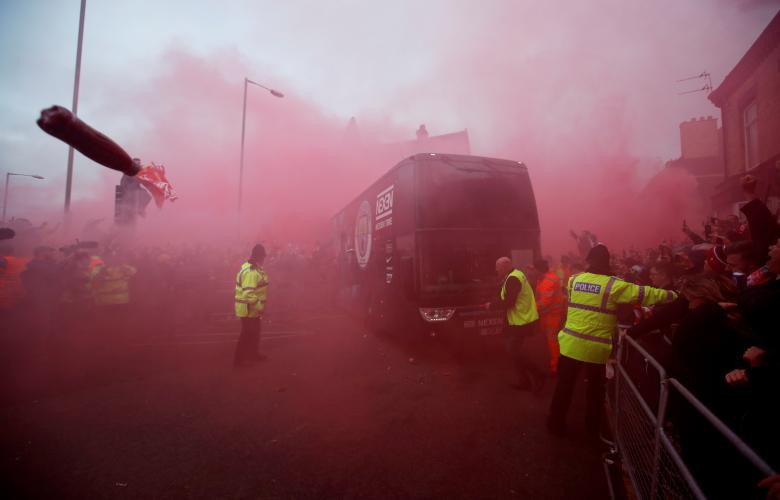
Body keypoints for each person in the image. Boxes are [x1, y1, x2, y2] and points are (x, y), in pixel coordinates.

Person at [547, 244, 677, 437]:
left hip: (571, 344)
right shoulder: (614, 285)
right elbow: (645, 294)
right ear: (607, 262)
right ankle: (592, 430)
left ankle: (554, 425)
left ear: (589, 260)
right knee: (595, 391)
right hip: (596, 348)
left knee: (564, 386)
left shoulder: (573, 280)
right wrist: (674, 295)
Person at [488, 256, 545, 392]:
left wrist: (491, 305)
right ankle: (524, 381)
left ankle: (538, 374)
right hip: (517, 320)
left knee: (513, 350)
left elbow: (509, 302)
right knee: (513, 350)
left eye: (498, 267)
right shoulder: (516, 275)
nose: (496, 270)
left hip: (521, 321)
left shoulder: (513, 278)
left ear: (504, 266)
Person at [234, 244, 269, 367]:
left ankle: (253, 354)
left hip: (251, 307)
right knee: (247, 333)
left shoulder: (251, 267)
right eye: (263, 256)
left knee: (255, 332)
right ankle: (238, 361)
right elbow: (248, 293)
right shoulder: (251, 271)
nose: (264, 259)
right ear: (259, 256)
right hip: (248, 308)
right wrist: (260, 306)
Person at [534, 259, 564, 375]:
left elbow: (545, 302)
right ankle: (555, 363)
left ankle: (556, 368)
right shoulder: (544, 278)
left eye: (535, 270)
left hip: (553, 316)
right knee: (551, 341)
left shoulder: (548, 281)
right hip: (548, 315)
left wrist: (530, 308)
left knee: (552, 342)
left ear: (539, 270)